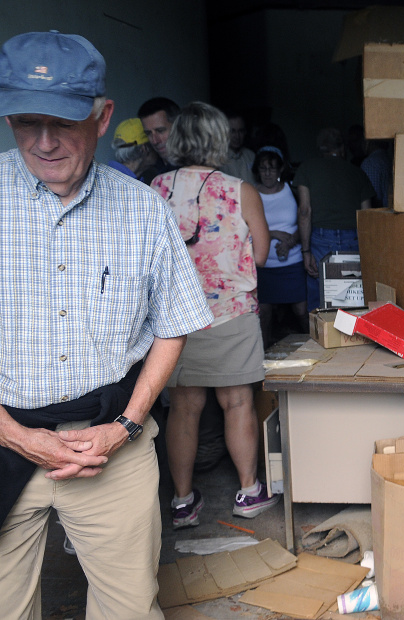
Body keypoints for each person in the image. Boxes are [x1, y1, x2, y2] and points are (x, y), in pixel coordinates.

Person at [0, 31, 213, 618]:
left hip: (109, 445)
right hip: (3, 433)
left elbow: (174, 324)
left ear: (102, 117)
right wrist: (16, 435)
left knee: (128, 608)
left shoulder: (144, 210)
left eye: (63, 123)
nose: (42, 143)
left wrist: (125, 424)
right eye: (25, 122)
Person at [150, 102, 277, 530]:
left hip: (175, 319)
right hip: (230, 315)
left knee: (183, 408)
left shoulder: (156, 187)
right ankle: (248, 492)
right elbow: (259, 254)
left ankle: (183, 501)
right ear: (219, 140)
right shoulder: (240, 190)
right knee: (237, 402)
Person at [295, 127, 375, 311]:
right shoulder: (357, 173)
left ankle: (321, 335)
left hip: (320, 239)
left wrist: (306, 251)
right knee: (351, 294)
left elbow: (305, 211)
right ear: (343, 149)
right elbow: (367, 217)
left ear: (320, 148)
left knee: (320, 297)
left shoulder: (307, 169)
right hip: (353, 239)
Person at [254, 146, 308, 347]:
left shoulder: (291, 190)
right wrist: (273, 235)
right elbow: (245, 227)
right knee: (264, 313)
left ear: (280, 170)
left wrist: (291, 241)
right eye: (263, 169)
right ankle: (264, 351)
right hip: (265, 265)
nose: (267, 173)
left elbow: (306, 218)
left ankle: (314, 345)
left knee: (301, 310)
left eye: (272, 168)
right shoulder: (251, 193)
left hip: (293, 263)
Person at [138, 96, 180, 182]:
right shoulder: (147, 172)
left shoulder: (197, 169)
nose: (155, 141)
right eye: (148, 133)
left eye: (160, 131)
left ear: (178, 126)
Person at [219, 109, 254, 183]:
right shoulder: (218, 158)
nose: (237, 136)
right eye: (232, 131)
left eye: (240, 131)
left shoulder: (251, 156)